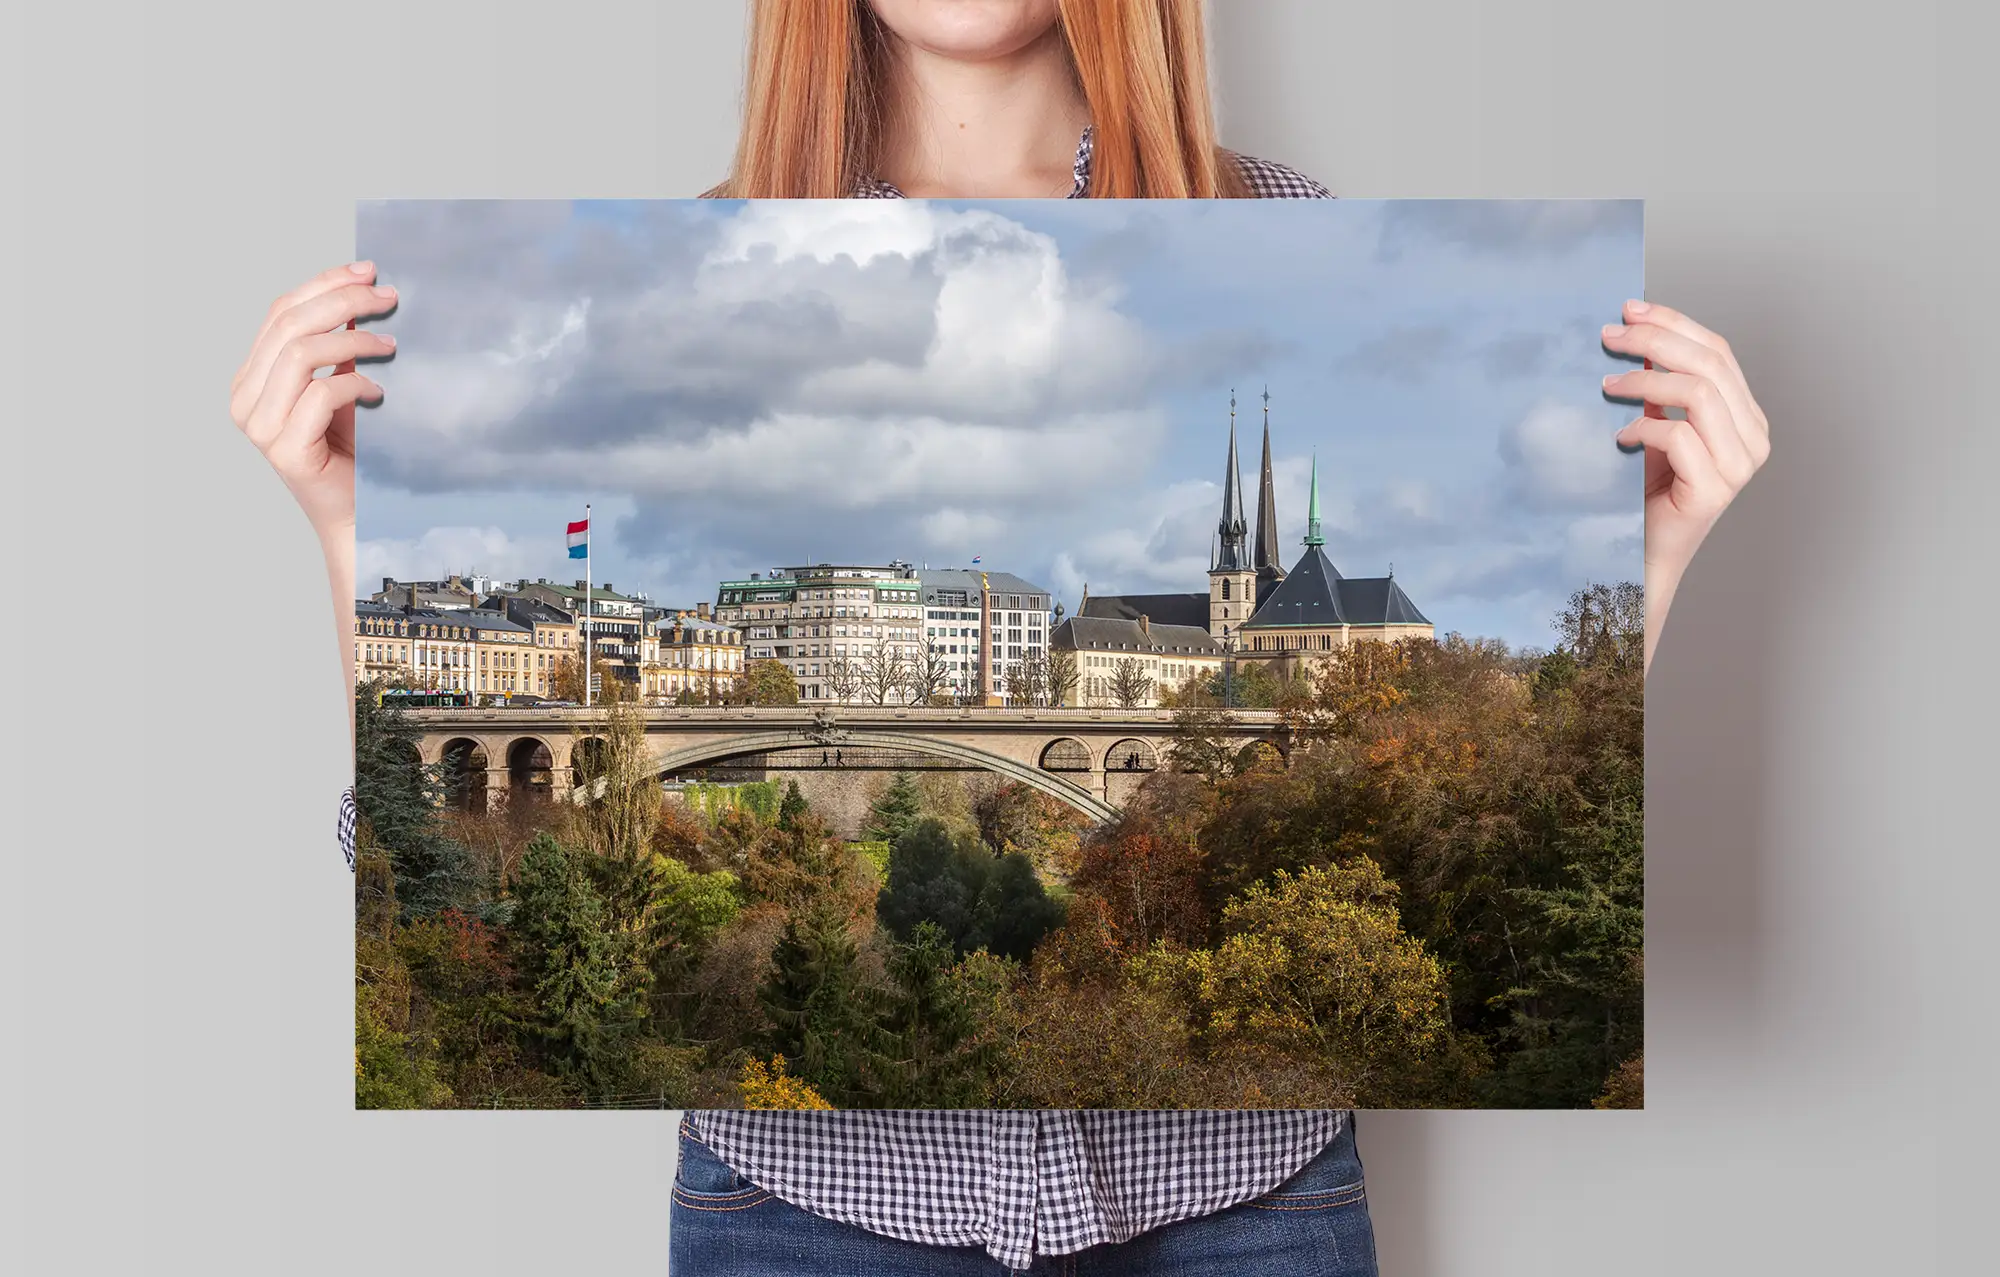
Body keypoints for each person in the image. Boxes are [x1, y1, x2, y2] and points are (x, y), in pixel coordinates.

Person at [231, 1, 1770, 1272]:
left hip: (1248, 1208)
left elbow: (1544, 844)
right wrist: (344, 540)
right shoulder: (698, 244)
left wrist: (1643, 568)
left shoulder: (1291, 225)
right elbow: (401, 874)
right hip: (803, 1218)